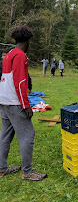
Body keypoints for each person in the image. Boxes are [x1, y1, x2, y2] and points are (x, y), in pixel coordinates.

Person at [0, 26, 47, 181]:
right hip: (14, 102)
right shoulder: (20, 55)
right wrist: (26, 105)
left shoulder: (9, 54)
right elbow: (20, 82)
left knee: (6, 134)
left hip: (3, 100)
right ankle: (27, 172)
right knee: (28, 134)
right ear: (27, 41)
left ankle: (2, 168)